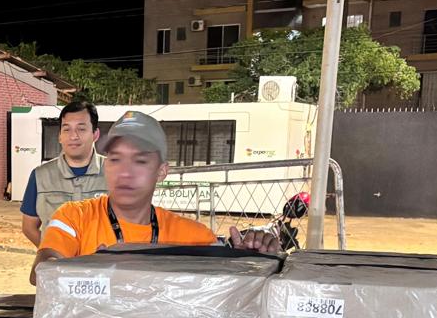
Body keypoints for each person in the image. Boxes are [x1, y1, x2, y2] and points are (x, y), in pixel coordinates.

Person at [31, 110, 278, 281]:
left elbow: (228, 292)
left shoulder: (194, 238)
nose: (125, 172)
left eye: (140, 160)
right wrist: (91, 268)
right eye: (116, 159)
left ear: (161, 171)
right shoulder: (74, 216)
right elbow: (42, 270)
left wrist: (248, 261)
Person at [20, 98, 109, 246]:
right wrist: (52, 252)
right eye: (67, 129)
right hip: (56, 260)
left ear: (95, 134)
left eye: (81, 129)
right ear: (60, 136)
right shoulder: (40, 176)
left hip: (102, 260)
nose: (73, 136)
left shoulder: (116, 173)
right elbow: (29, 227)